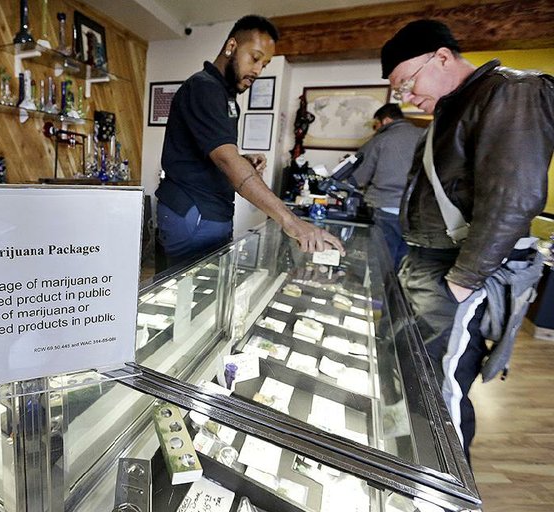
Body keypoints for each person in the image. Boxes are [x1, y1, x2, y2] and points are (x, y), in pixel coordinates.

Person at [381, 19, 554, 460]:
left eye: (407, 82)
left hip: (455, 271)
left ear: (441, 56)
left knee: (439, 390)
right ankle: (409, 465)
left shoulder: (511, 91)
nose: (407, 96)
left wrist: (464, 279)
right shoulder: (454, 106)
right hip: (430, 264)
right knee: (413, 376)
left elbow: (514, 198)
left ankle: (443, 489)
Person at [155, 15, 344, 269]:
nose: (257, 71)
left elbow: (213, 153)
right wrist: (291, 222)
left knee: (207, 293)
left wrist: (242, 159)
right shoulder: (204, 88)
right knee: (187, 297)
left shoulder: (226, 96)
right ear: (231, 46)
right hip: (195, 212)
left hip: (212, 211)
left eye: (264, 65)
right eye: (255, 58)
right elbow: (226, 160)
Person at [352, 103, 424, 270]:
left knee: (381, 262)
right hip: (416, 211)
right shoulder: (424, 136)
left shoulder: (381, 139)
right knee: (405, 262)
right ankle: (397, 295)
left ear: (385, 120)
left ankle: (380, 295)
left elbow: (359, 177)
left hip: (385, 207)